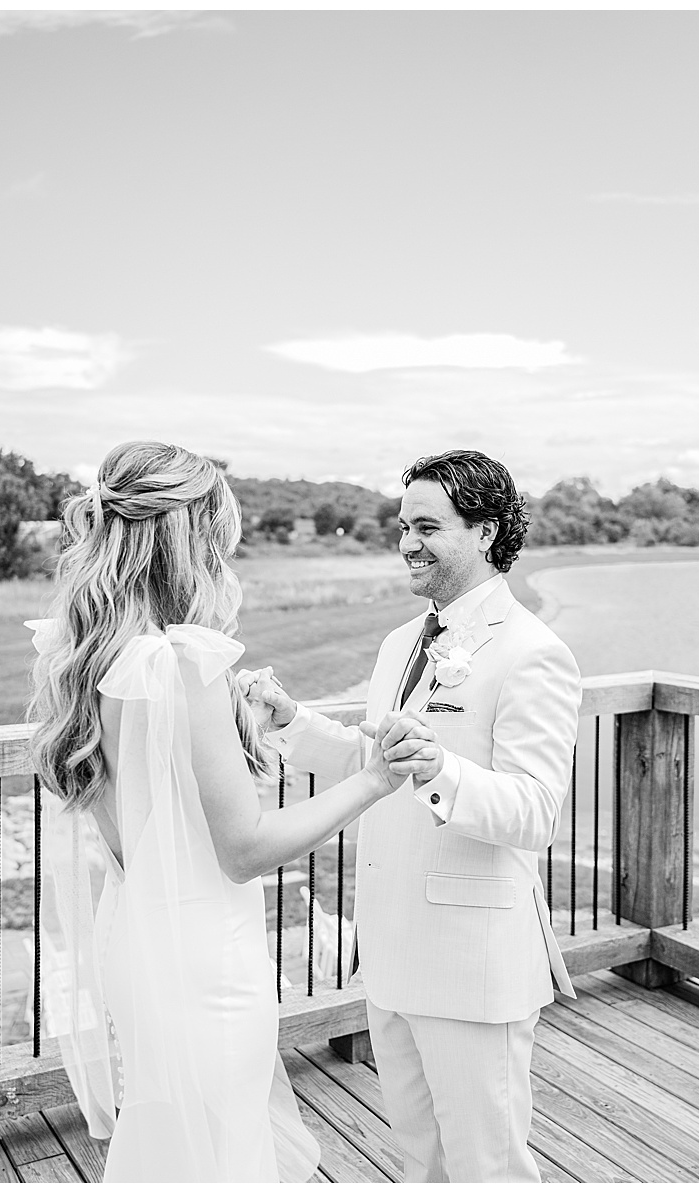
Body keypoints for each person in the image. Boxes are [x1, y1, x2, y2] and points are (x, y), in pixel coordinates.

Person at [28, 441, 413, 1182]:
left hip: (137, 936)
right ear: (193, 538)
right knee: (223, 1145)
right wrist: (373, 779)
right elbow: (244, 847)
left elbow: (149, 790)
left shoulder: (93, 650)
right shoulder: (182, 662)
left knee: (173, 1129)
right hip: (203, 950)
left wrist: (235, 724)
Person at [242, 449, 581, 1183]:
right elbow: (376, 766)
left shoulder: (533, 653)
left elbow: (535, 812)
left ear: (486, 531)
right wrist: (291, 720)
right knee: (420, 1161)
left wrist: (442, 769)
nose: (405, 543)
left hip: (472, 962)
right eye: (402, 525)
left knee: (489, 1168)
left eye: (426, 525)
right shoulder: (402, 640)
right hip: (391, 955)